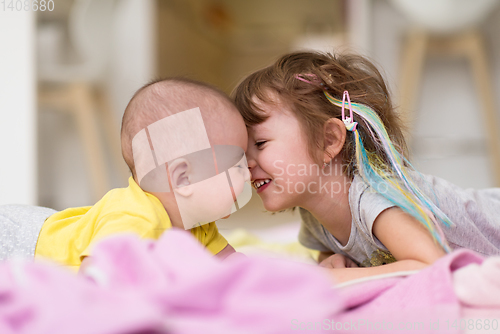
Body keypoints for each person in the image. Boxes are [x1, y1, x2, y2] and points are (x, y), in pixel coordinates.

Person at [232, 51, 500, 283]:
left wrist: (344, 278)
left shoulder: (374, 198)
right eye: (244, 151)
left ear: (328, 140)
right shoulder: (313, 216)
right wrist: (332, 261)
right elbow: (330, 250)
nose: (247, 164)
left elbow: (431, 264)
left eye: (261, 143)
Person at [0, 78, 251, 271]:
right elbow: (97, 278)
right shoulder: (134, 219)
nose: (248, 175)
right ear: (183, 178)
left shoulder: (200, 225)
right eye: (236, 167)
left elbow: (231, 267)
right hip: (18, 243)